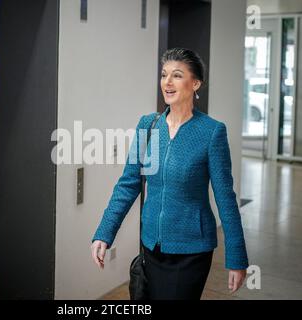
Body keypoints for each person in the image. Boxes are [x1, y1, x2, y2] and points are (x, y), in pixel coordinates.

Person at [91, 48, 249, 300]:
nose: (167, 82)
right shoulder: (148, 125)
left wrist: (237, 257)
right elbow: (128, 184)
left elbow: (225, 198)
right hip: (151, 246)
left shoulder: (212, 132)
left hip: (191, 250)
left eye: (176, 75)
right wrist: (104, 232)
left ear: (195, 83)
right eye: (164, 75)